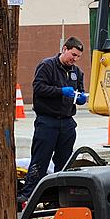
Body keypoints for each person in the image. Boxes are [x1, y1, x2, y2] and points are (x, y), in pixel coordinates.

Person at [18, 37, 89, 205]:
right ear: (64, 49)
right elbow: (39, 88)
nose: (75, 59)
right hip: (47, 121)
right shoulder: (47, 66)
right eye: (73, 54)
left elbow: (80, 90)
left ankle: (58, 197)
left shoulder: (76, 72)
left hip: (67, 122)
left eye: (78, 56)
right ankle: (29, 195)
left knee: (64, 160)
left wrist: (81, 98)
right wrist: (60, 91)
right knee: (40, 159)